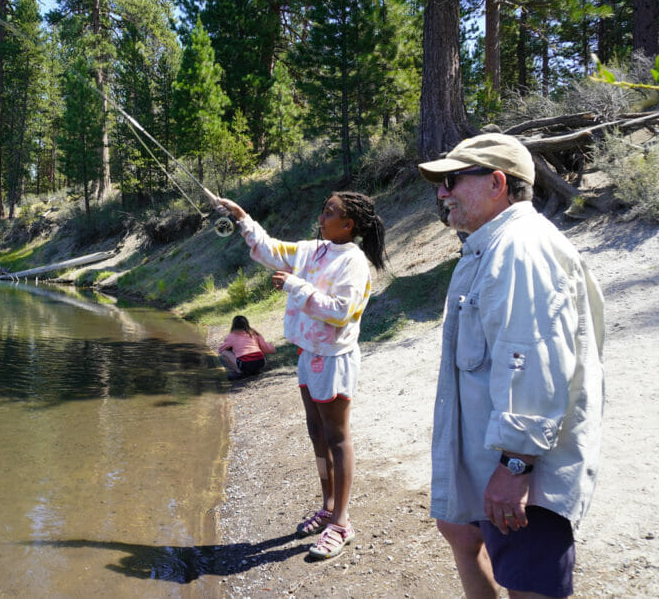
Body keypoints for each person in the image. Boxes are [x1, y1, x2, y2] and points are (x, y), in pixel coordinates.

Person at [417, 133, 605, 598]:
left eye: (452, 180)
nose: (442, 193)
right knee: (465, 536)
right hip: (500, 461)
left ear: (498, 183)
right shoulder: (496, 246)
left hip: (521, 471)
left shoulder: (520, 248)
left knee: (530, 586)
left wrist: (514, 466)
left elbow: (534, 364)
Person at [216, 192, 387, 560]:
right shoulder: (314, 249)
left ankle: (341, 523)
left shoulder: (354, 262)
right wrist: (242, 217)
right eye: (324, 208)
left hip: (334, 358)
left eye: (331, 212)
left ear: (349, 224)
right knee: (316, 433)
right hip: (308, 354)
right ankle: (327, 505)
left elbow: (342, 312)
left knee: (338, 439)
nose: (322, 216)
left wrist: (295, 285)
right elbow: (271, 250)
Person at [217, 315, 277, 381]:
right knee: (257, 349)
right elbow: (265, 347)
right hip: (261, 362)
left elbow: (220, 349)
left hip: (246, 364)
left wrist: (232, 349)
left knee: (224, 352)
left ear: (233, 325)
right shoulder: (253, 333)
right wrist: (273, 349)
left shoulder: (231, 336)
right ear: (247, 323)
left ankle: (239, 372)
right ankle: (255, 370)